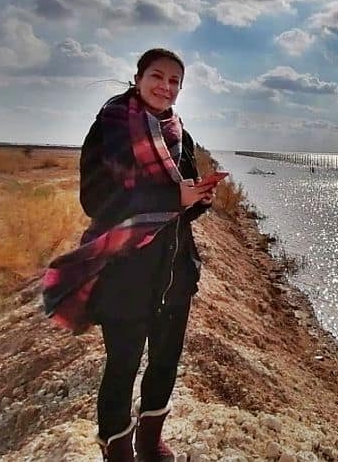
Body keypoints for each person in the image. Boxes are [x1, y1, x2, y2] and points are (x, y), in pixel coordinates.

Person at [42, 48, 217, 461]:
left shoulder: (180, 134)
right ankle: (117, 449)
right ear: (138, 78)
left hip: (174, 270)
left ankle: (150, 440)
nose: (166, 87)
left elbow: (182, 207)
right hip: (124, 271)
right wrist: (173, 195)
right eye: (158, 76)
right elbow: (95, 200)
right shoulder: (111, 128)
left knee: (165, 361)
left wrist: (200, 198)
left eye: (175, 81)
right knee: (122, 365)